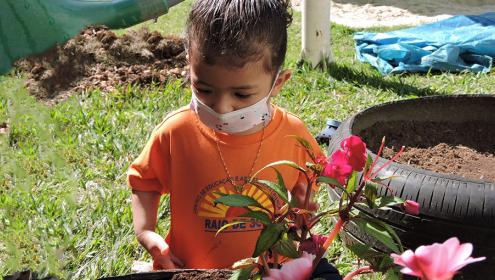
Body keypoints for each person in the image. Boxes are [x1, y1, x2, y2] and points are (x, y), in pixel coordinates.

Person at [128, 1, 340, 278]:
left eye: (241, 95)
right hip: (192, 270)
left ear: (278, 82)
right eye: (203, 88)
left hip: (272, 270)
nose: (221, 106)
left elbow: (310, 182)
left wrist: (304, 208)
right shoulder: (176, 132)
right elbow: (145, 181)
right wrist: (145, 230)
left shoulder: (293, 133)